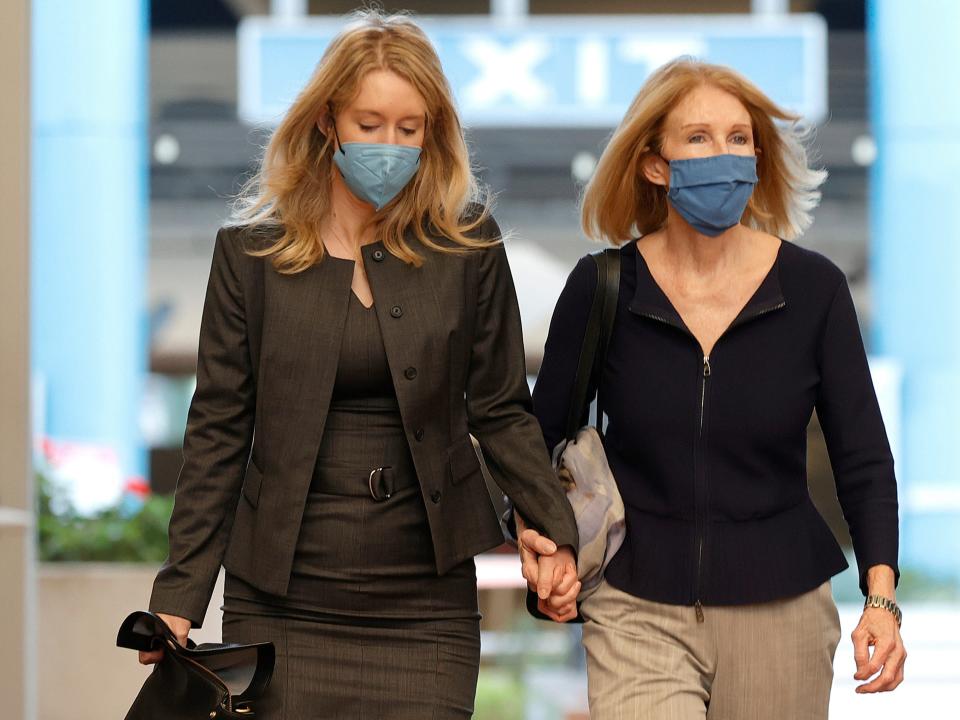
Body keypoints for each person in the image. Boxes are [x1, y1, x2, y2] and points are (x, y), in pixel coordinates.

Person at [137, 11, 579, 719]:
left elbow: (499, 408)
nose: (391, 144)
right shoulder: (250, 254)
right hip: (283, 598)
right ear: (327, 120)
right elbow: (218, 433)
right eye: (370, 124)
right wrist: (179, 602)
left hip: (426, 601)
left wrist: (552, 529)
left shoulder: (468, 245)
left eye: (411, 128)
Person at [525, 58, 906, 718]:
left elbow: (864, 459)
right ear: (655, 163)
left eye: (738, 138)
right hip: (636, 603)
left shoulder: (813, 289)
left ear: (758, 155)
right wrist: (547, 545)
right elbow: (538, 439)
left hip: (782, 609)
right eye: (698, 138)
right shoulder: (604, 287)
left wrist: (881, 597)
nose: (723, 155)